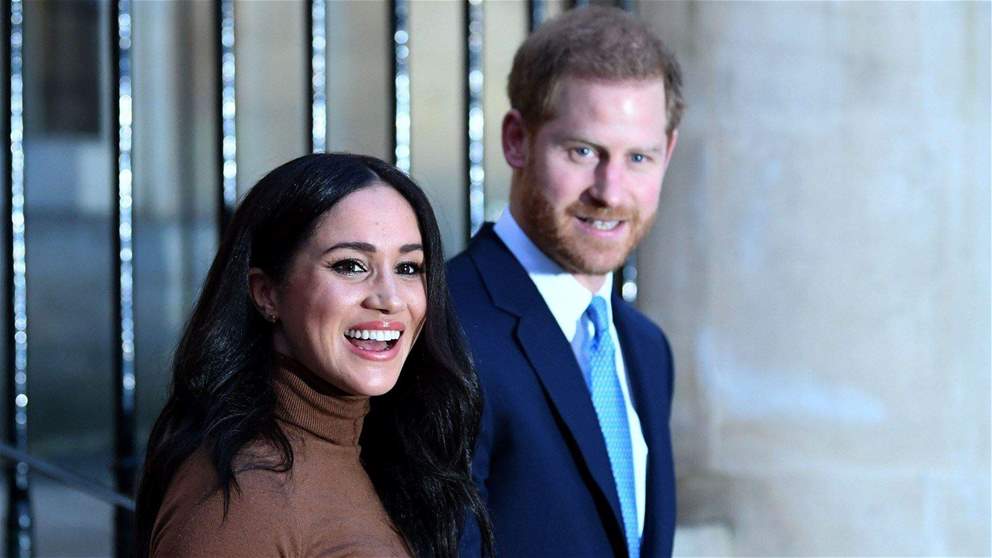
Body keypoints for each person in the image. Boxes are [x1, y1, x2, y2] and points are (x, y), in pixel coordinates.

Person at [135, 153, 493, 557]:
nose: (390, 299)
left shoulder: (376, 452)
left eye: (408, 268)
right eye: (351, 266)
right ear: (266, 293)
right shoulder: (242, 500)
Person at [449, 6, 684, 557]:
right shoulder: (445, 326)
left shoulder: (647, 348)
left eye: (639, 157)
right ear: (516, 140)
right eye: (583, 151)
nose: (610, 190)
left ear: (668, 153)